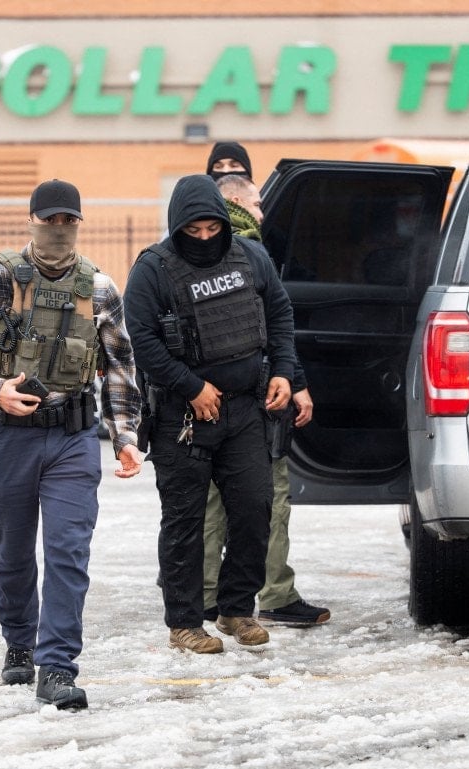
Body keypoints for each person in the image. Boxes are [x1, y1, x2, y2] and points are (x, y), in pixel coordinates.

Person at [0, 178, 143, 710]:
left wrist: (125, 437)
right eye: (48, 220)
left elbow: (120, 368)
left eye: (67, 220)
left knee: (68, 552)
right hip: (9, 437)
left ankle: (57, 667)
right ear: (31, 221)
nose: (58, 229)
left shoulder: (99, 288)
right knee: (12, 552)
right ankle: (19, 643)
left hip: (73, 438)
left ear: (78, 223)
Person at [123, 173, 295, 654]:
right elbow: (143, 342)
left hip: (245, 408)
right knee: (185, 521)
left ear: (223, 222)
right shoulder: (153, 269)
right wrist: (192, 386)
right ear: (178, 226)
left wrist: (284, 371)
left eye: (211, 229)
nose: (203, 238)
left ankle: (236, 610)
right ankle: (183, 623)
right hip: (182, 417)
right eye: (193, 231)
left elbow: (280, 314)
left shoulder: (251, 256)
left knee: (255, 507)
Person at [203, 174, 330, 627]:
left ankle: (206, 593)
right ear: (235, 201)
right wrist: (294, 379)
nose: (261, 212)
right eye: (257, 204)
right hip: (257, 395)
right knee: (270, 497)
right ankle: (275, 593)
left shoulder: (189, 253)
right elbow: (275, 326)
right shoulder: (249, 249)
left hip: (208, 396)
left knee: (212, 501)